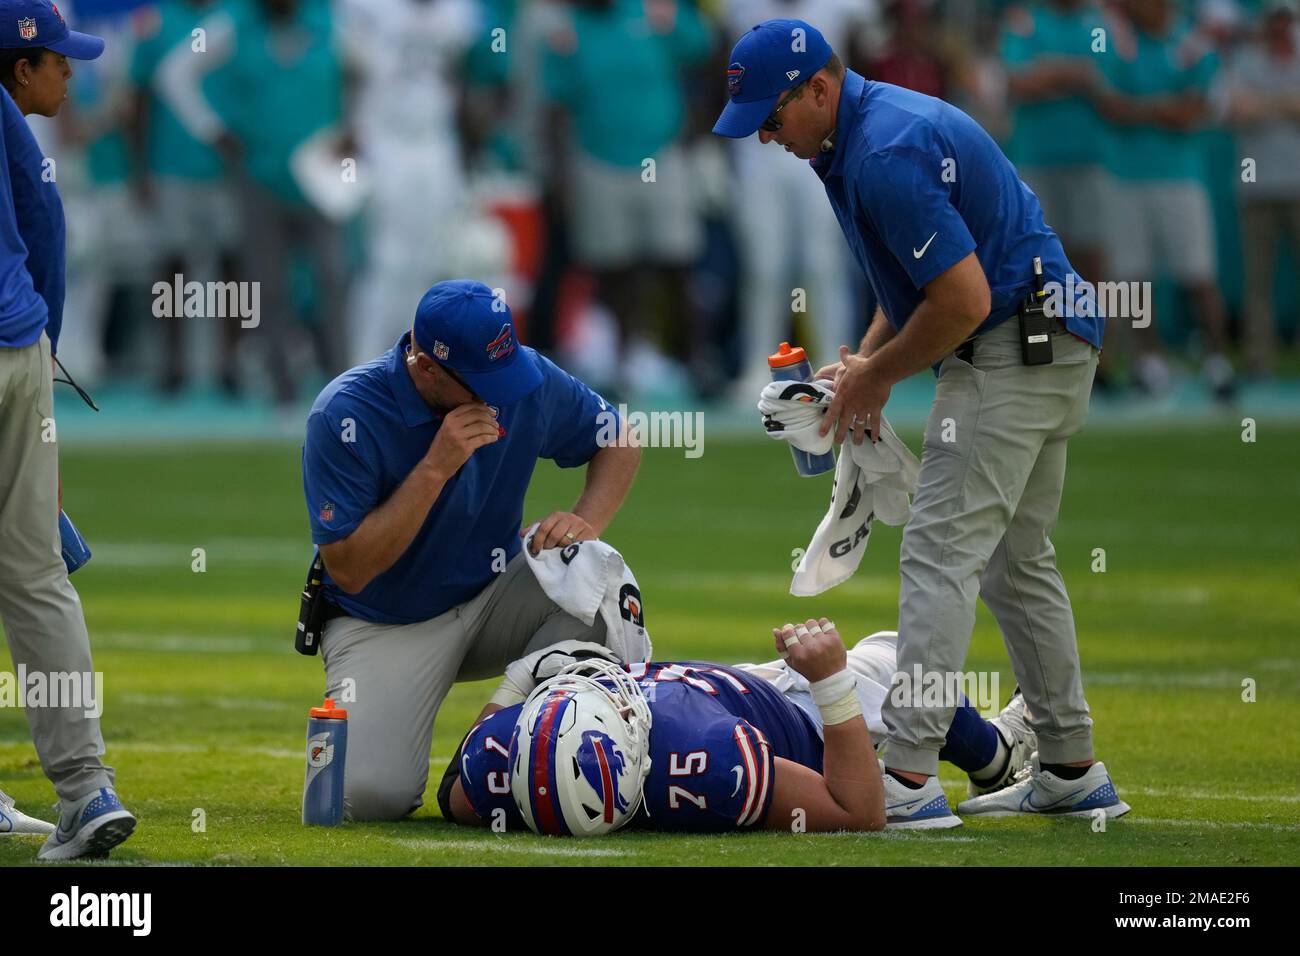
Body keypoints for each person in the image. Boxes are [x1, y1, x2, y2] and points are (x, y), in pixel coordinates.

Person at [711, 19, 1129, 822]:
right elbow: (917, 278)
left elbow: (964, 300)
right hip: (1051, 340)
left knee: (939, 554)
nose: (765, 137)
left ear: (820, 90)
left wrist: (876, 377)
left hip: (1009, 344)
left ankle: (905, 777)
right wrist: (864, 365)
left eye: (771, 117)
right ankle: (1071, 767)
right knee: (1016, 560)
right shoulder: (869, 131)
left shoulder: (881, 152)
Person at [301, 279, 640, 821]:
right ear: (426, 366)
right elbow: (350, 567)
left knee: (598, 581)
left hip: (493, 595)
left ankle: (529, 751)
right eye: (483, 383)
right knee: (365, 796)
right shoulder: (345, 413)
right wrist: (435, 466)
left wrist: (586, 521)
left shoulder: (520, 377)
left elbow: (618, 436)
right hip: (383, 620)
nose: (501, 394)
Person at [440, 622, 1048, 834]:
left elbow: (454, 792)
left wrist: (521, 677)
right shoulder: (706, 764)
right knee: (899, 665)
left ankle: (992, 752)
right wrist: (831, 682)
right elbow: (860, 811)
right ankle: (996, 755)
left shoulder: (502, 760)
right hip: (790, 714)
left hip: (721, 689)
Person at [0, 0, 135, 859]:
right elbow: (46, 218)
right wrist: (40, 333)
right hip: (14, 347)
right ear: (21, 69)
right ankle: (87, 792)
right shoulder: (8, 117)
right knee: (36, 573)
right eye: (59, 60)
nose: (71, 72)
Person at [1092, 0, 1236, 400]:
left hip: (1180, 178)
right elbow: (1109, 106)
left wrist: (1142, 108)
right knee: (1132, 278)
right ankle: (1149, 362)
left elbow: (1191, 113)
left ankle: (1217, 361)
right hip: (1125, 178)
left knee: (1198, 274)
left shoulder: (1193, 42)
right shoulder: (1118, 42)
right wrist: (1162, 108)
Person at [1219, 0, 1300, 378]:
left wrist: (1263, 105)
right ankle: (1257, 360)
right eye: (1276, 21)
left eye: (1287, 20)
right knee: (1258, 283)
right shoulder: (1246, 62)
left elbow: (1253, 107)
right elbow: (1234, 109)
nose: (1281, 27)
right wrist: (1284, 106)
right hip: (1257, 187)